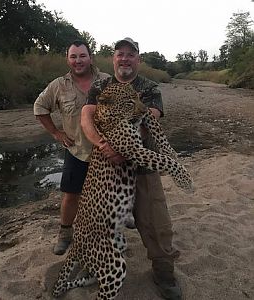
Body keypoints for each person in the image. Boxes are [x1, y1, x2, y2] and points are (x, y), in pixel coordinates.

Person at [81, 37, 182, 300]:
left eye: (130, 54)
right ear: (113, 58)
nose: (124, 58)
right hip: (107, 170)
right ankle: (97, 266)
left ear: (138, 59)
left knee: (157, 225)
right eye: (120, 54)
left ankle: (164, 274)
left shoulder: (148, 87)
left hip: (143, 169)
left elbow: (149, 118)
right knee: (99, 225)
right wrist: (103, 145)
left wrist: (121, 149)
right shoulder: (100, 85)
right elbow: (86, 117)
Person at [33, 40, 110, 255]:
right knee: (71, 195)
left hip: (105, 151)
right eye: (73, 56)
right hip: (76, 150)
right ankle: (65, 233)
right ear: (68, 59)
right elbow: (39, 108)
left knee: (104, 195)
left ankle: (102, 234)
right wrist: (57, 133)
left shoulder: (106, 81)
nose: (78, 61)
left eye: (82, 56)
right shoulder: (58, 85)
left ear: (90, 57)